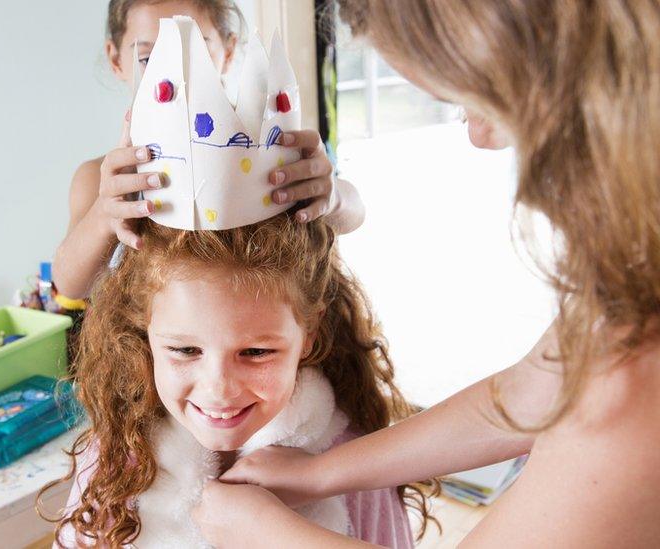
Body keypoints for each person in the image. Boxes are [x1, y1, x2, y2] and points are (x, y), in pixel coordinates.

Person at [192, 1, 660, 547]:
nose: (479, 137)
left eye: (472, 99)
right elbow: (526, 393)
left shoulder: (634, 383)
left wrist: (264, 531)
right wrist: (321, 473)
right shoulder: (627, 286)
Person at [42, 214, 428, 548]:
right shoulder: (113, 461)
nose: (219, 388)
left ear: (308, 335)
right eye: (185, 351)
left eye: (257, 353)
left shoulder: (355, 470)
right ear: (144, 332)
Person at [51, 0, 365, 299]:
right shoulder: (102, 180)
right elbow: (68, 283)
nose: (172, 78)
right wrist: (104, 215)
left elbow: (356, 213)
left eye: (196, 54)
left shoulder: (267, 151)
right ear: (116, 59)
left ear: (228, 50)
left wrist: (332, 195)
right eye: (148, 59)